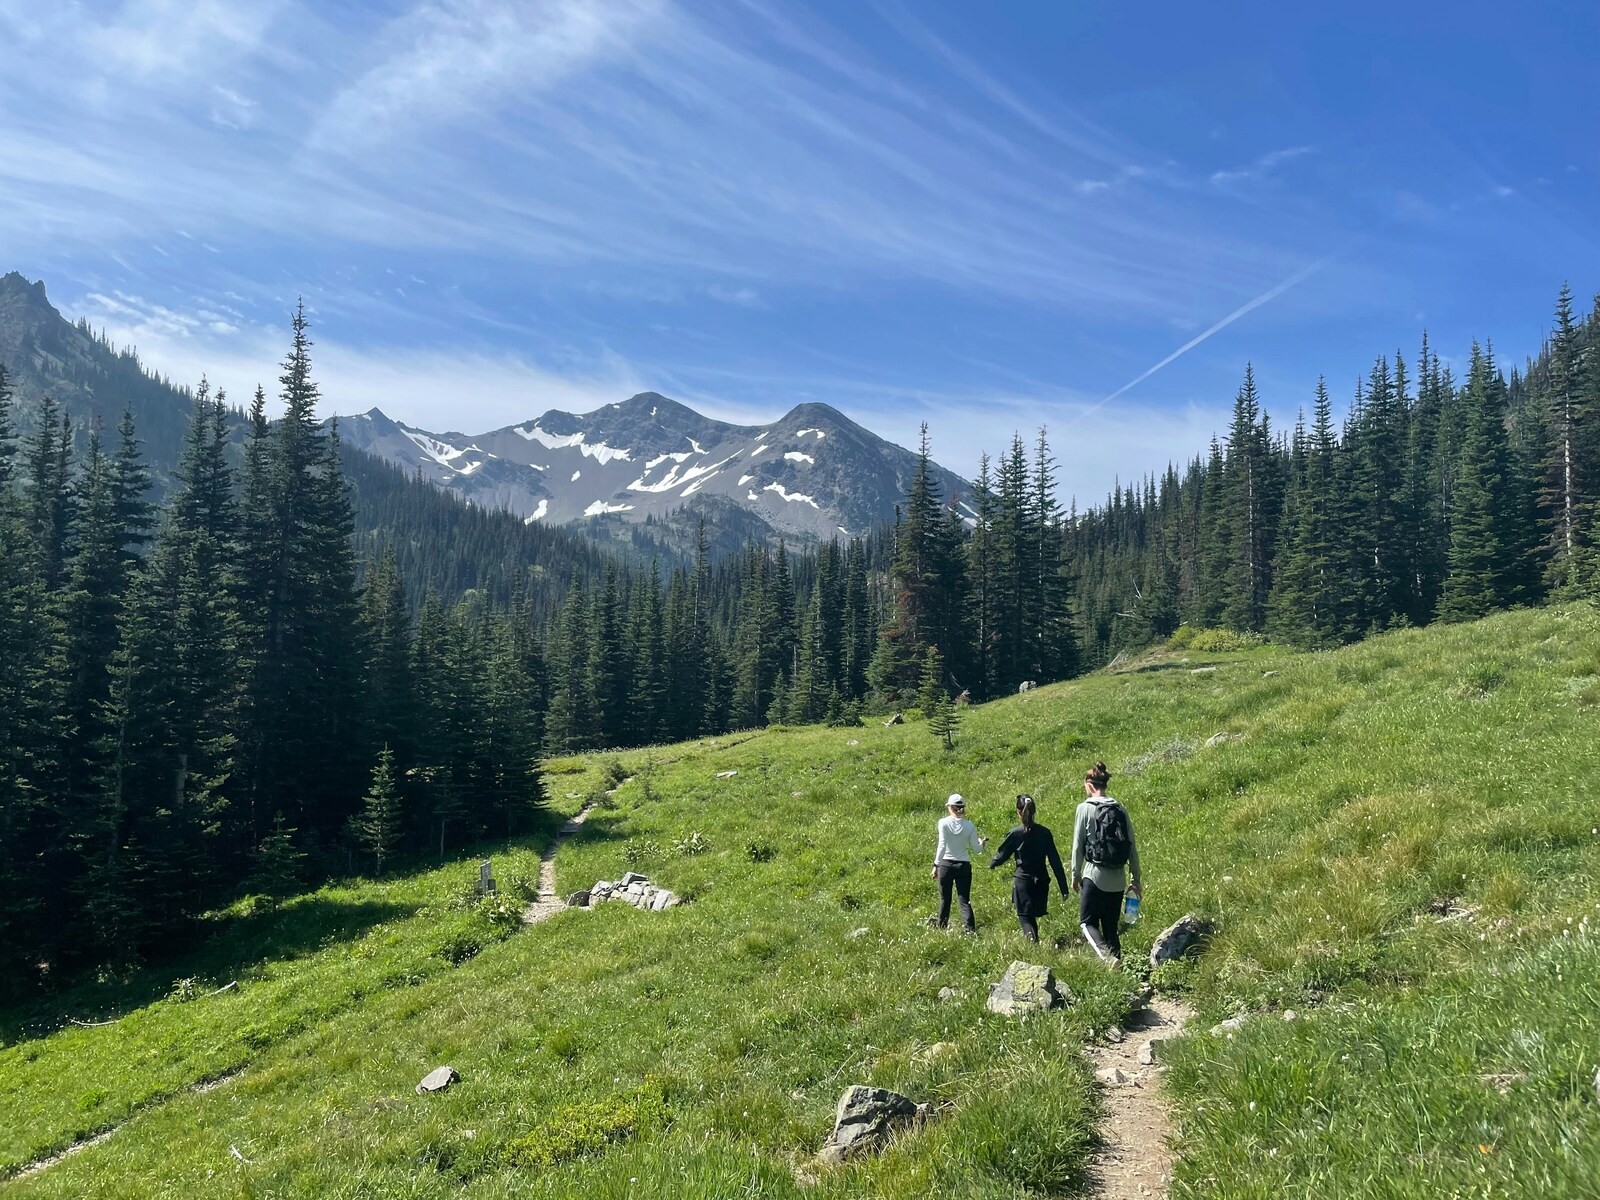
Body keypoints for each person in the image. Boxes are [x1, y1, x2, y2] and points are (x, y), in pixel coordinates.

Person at [1071, 761, 1140, 964]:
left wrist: (1075, 875)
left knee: (1087, 923)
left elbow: (1078, 846)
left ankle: (1108, 960)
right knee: (1111, 928)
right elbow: (1131, 847)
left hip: (1094, 875)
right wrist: (1136, 878)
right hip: (1118, 879)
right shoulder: (1120, 809)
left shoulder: (1084, 808)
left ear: (1090, 785)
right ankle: (1120, 974)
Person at [988, 794, 1069, 943]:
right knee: (1031, 915)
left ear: (1018, 812)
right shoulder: (1045, 833)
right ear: (1034, 811)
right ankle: (1034, 942)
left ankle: (1032, 944)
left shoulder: (1015, 833)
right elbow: (1055, 862)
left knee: (1025, 916)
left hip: (1023, 881)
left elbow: (1002, 855)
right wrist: (1064, 888)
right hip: (1042, 881)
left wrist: (992, 864)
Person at [930, 793, 985, 931]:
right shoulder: (969, 826)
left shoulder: (943, 823)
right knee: (964, 899)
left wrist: (936, 865)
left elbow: (942, 845)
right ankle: (970, 929)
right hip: (963, 865)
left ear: (950, 807)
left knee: (945, 899)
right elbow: (977, 849)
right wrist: (982, 843)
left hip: (946, 865)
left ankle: (942, 925)